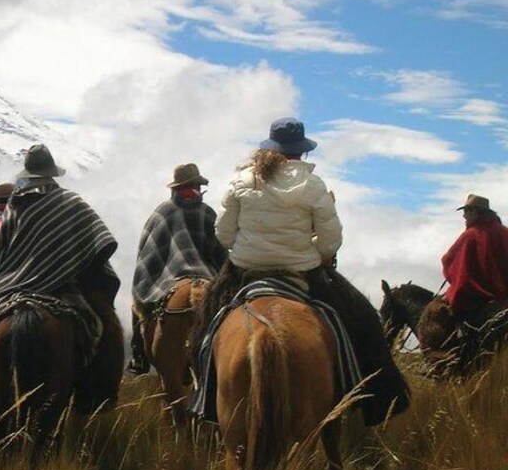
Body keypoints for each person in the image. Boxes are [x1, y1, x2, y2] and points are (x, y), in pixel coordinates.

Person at [213, 117, 410, 426]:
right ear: (301, 152)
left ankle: (201, 396)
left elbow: (223, 235)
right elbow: (331, 241)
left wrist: (250, 247)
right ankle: (373, 399)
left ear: (269, 147)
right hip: (301, 272)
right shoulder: (314, 185)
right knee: (363, 320)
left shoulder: (242, 180)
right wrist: (309, 253)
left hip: (246, 271)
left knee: (203, 327)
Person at [0, 144, 124, 410]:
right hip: (63, 289)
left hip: (9, 288)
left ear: (28, 174)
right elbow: (101, 244)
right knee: (107, 328)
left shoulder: (16, 206)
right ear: (52, 174)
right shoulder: (73, 203)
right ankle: (98, 394)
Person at [128, 163, 226, 374]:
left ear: (174, 188)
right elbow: (220, 252)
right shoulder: (207, 212)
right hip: (207, 274)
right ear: (198, 186)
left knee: (137, 297)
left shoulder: (162, 212)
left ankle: (139, 357)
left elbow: (146, 255)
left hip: (167, 278)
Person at [441, 194, 508, 321]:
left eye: (467, 211)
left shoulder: (471, 235)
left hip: (477, 298)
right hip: (505, 297)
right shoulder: (505, 232)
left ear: (476, 212)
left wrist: (453, 273)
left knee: (437, 315)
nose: (464, 216)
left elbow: (447, 260)